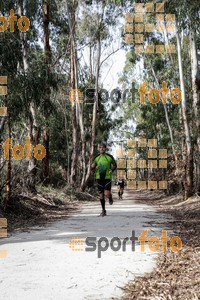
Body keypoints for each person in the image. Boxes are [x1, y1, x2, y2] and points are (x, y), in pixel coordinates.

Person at [91, 143, 117, 217]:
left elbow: (115, 165)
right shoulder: (96, 158)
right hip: (99, 178)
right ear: (98, 149)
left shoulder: (109, 157)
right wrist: (93, 167)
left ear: (105, 149)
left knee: (106, 194)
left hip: (107, 177)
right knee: (101, 196)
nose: (102, 149)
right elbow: (92, 167)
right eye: (100, 147)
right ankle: (103, 210)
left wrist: (112, 170)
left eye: (103, 147)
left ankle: (110, 196)